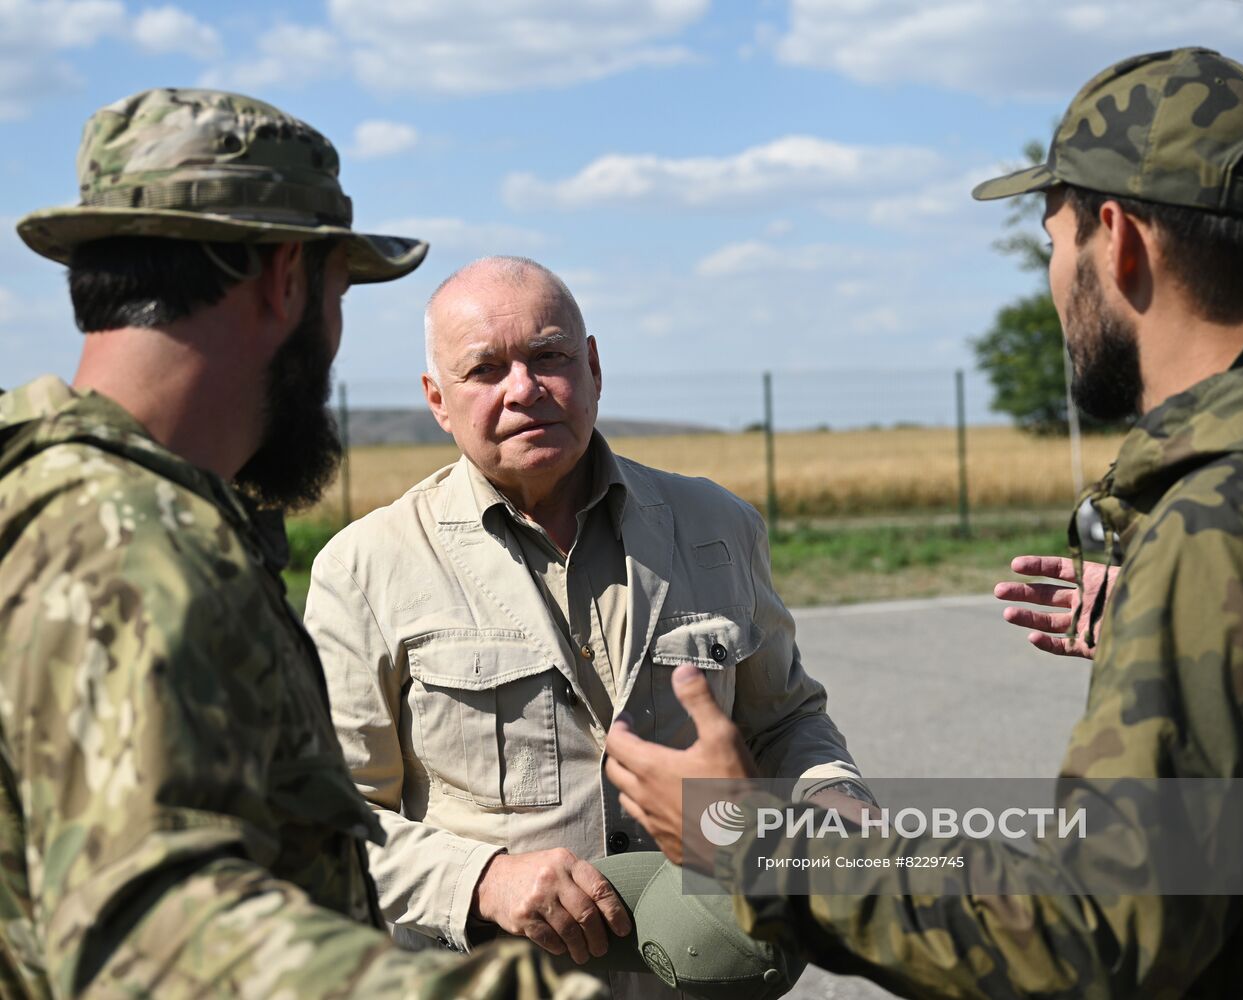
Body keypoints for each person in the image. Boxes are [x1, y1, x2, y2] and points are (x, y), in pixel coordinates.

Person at [606, 46, 1243, 997]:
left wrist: (753, 842)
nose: (1056, 285)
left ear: (1120, 238)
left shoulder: (1228, 528)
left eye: (1056, 245)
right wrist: (1196, 627)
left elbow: (1095, 931)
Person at [0, 88, 602, 999]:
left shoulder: (43, 494)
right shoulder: (131, 547)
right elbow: (154, 933)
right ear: (288, 278)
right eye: (341, 290)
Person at [303, 256, 869, 996]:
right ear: (437, 399)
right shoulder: (366, 567)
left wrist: (833, 799)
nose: (524, 389)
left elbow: (786, 720)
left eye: (549, 356)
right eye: (484, 370)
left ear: (594, 366)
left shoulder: (717, 527)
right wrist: (483, 881)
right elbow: (327, 820)